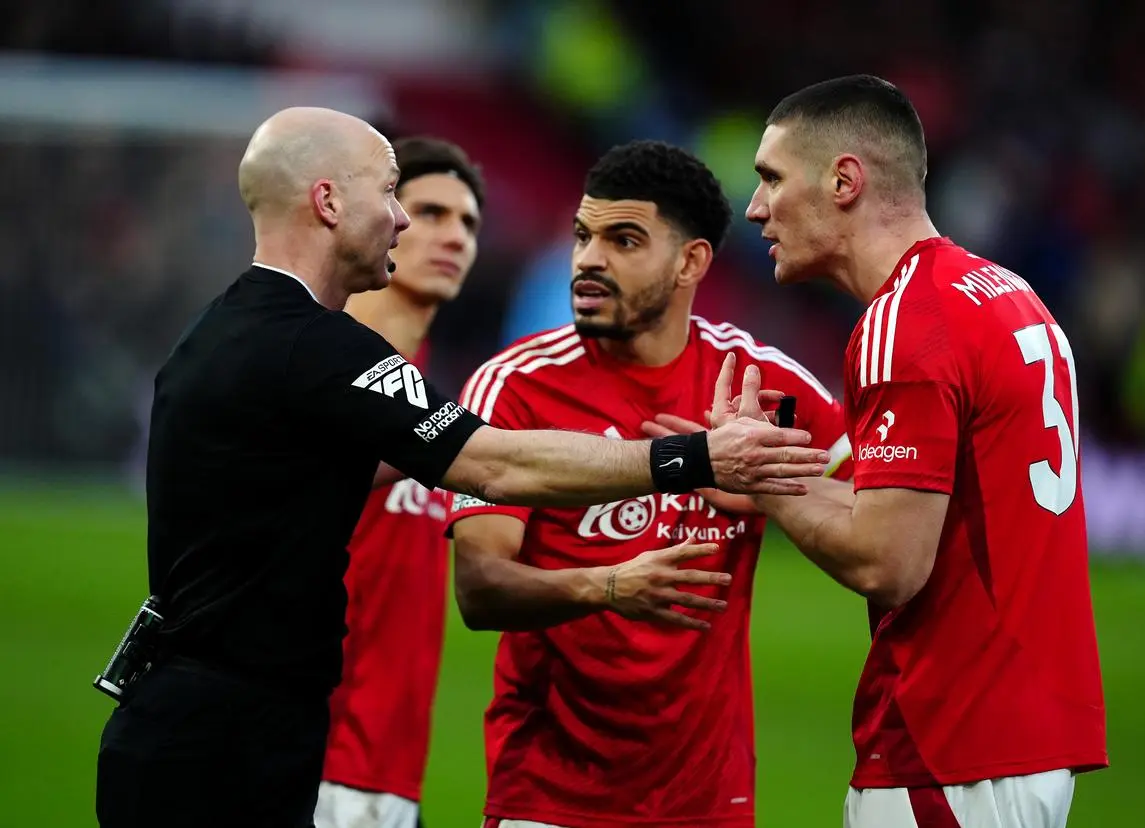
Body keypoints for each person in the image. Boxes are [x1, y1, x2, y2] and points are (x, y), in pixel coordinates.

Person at [93, 107, 830, 828]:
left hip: (184, 718)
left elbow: (350, 471)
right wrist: (695, 456)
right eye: (390, 193)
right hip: (235, 738)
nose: (404, 220)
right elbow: (494, 465)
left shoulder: (217, 334)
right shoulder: (322, 350)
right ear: (326, 202)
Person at [733, 75, 1108, 828]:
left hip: (949, 745)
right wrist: (770, 474)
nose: (755, 208)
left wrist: (761, 482)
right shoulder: (1003, 291)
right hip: (1026, 740)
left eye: (770, 178)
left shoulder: (904, 325)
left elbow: (889, 561)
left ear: (845, 180)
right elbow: (925, 514)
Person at [445, 140, 855, 828]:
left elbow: (879, 524)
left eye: (623, 240)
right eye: (583, 235)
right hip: (549, 797)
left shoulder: (764, 384)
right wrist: (606, 587)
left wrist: (774, 493)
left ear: (691, 261)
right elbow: (480, 586)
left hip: (710, 801)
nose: (589, 259)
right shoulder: (513, 387)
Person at [315, 136, 485, 828]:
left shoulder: (438, 398)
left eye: (469, 222)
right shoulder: (310, 368)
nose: (453, 236)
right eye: (432, 212)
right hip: (299, 753)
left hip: (389, 774)